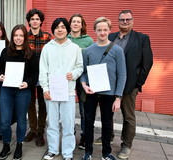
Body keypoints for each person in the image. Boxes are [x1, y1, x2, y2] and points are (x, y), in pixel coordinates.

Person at [80, 17, 126, 160]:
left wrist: (118, 98)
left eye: (105, 29)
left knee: (107, 124)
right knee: (88, 123)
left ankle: (106, 153)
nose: (102, 32)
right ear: (94, 31)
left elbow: (122, 74)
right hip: (91, 92)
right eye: (99, 29)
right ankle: (88, 152)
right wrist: (83, 85)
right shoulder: (88, 51)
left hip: (109, 93)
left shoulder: (117, 50)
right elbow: (83, 72)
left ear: (110, 30)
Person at [110, 10, 153, 159]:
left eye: (128, 19)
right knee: (107, 112)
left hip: (129, 85)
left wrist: (137, 83)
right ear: (118, 21)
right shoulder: (110, 37)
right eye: (122, 19)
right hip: (110, 84)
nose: (125, 22)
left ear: (133, 21)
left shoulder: (142, 38)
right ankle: (108, 137)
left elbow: (147, 63)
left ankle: (126, 145)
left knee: (128, 116)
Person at [39, 18, 83, 160]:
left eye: (63, 27)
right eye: (57, 27)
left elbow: (79, 67)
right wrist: (45, 88)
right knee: (52, 123)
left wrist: (74, 74)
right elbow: (43, 70)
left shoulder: (74, 48)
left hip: (68, 91)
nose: (60, 29)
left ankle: (68, 153)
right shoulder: (47, 47)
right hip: (51, 91)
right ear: (53, 30)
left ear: (67, 30)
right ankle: (53, 150)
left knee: (68, 123)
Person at [0, 24, 39, 160]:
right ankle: (6, 145)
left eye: (21, 35)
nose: (18, 38)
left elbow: (34, 74)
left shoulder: (31, 54)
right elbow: (0, 69)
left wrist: (28, 83)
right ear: (12, 36)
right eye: (16, 35)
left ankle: (19, 145)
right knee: (4, 121)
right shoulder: (5, 52)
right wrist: (1, 76)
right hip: (7, 90)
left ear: (25, 37)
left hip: (23, 91)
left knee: (21, 120)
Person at [24, 8, 52, 147]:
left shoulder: (47, 37)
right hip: (29, 76)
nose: (34, 21)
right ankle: (33, 130)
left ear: (41, 21)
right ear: (29, 21)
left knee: (42, 104)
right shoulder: (24, 37)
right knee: (29, 103)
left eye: (37, 19)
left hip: (43, 76)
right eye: (32, 19)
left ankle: (41, 132)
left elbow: (51, 57)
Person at [67, 13, 94, 150]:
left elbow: (93, 59)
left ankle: (84, 135)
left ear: (82, 25)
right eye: (73, 21)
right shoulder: (65, 39)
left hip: (84, 79)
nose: (76, 24)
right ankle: (70, 133)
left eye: (78, 22)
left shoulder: (88, 40)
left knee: (84, 109)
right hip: (68, 78)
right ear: (70, 24)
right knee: (68, 108)